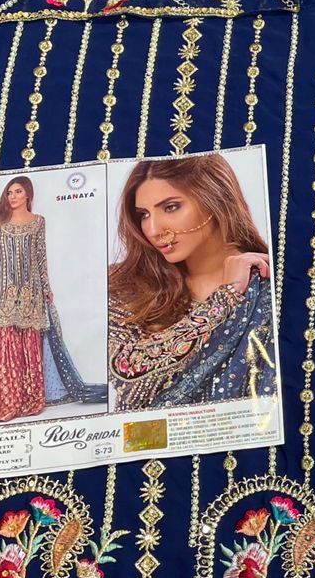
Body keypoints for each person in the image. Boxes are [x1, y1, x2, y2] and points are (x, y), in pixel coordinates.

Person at [107, 154, 277, 412]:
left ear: (215, 199)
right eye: (143, 215)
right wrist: (224, 298)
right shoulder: (124, 286)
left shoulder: (266, 284)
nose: (153, 229)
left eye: (170, 207)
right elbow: (130, 384)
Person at [0, 175, 106, 426]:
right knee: (3, 343)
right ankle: (4, 398)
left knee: (29, 343)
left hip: (31, 293)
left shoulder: (38, 222)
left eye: (17, 191)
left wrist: (46, 288)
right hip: (1, 293)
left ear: (28, 193)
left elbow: (40, 257)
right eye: (9, 192)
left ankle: (28, 397)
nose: (13, 196)